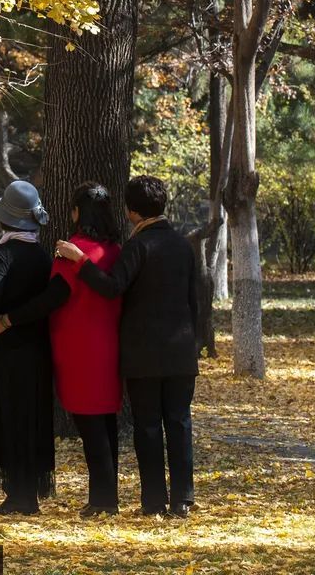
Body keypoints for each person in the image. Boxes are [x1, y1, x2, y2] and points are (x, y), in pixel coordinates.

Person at [56, 175, 199, 519]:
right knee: (179, 422)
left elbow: (112, 287)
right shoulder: (183, 245)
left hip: (144, 353)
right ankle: (183, 498)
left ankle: (153, 501)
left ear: (132, 211)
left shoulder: (139, 245)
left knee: (148, 426)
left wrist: (80, 260)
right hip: (181, 351)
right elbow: (195, 300)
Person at [0, 182, 123, 517]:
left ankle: (102, 500)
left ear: (78, 213)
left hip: (77, 348)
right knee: (106, 423)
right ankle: (107, 495)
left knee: (90, 425)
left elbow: (51, 299)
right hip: (109, 344)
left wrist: (5, 320)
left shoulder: (72, 252)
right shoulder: (115, 250)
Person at [0, 180, 55, 516]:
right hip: (37, 346)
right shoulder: (43, 255)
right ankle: (27, 491)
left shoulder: (2, 252)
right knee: (30, 416)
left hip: (7, 350)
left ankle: (17, 494)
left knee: (9, 416)